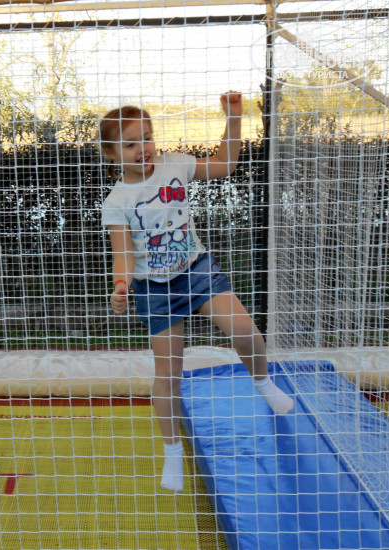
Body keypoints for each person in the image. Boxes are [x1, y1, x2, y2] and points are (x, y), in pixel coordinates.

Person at [99, 92, 294, 493]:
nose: (143, 148)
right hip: (155, 290)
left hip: (197, 271)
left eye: (147, 137)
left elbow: (225, 164)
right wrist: (121, 287)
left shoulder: (174, 165)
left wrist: (234, 119)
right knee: (169, 375)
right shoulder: (117, 201)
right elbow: (123, 256)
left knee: (246, 331)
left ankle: (263, 383)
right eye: (131, 144)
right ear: (111, 154)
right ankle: (173, 452)